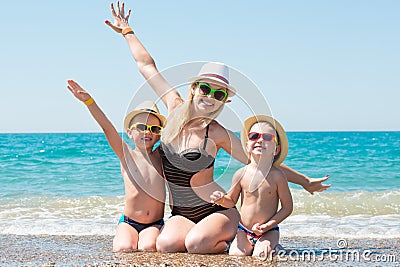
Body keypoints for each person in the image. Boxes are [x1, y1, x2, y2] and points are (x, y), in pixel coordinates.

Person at [105, 1, 330, 254]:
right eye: (205, 88)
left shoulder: (217, 133)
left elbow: (262, 162)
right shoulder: (173, 105)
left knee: (196, 245)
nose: (210, 96)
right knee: (165, 245)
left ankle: (236, 237)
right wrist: (127, 31)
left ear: (225, 100)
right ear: (193, 88)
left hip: (217, 209)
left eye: (219, 93)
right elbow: (146, 66)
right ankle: (215, 238)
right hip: (181, 213)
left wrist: (304, 181)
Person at [66, 79, 167, 252]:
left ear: (159, 135)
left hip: (154, 224)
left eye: (153, 128)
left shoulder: (161, 155)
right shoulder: (126, 154)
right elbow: (107, 127)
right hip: (129, 222)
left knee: (148, 246)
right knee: (123, 248)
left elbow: (180, 130)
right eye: (141, 126)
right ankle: (125, 237)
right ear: (129, 132)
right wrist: (89, 102)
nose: (147, 132)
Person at [210, 115, 293, 257]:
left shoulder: (278, 176)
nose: (260, 140)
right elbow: (231, 200)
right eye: (254, 136)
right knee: (237, 255)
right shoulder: (240, 174)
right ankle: (239, 244)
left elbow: (287, 207)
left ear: (276, 149)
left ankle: (274, 246)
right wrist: (222, 200)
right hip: (244, 229)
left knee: (260, 256)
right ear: (247, 145)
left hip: (268, 230)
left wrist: (268, 225)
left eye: (267, 137)